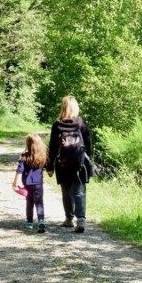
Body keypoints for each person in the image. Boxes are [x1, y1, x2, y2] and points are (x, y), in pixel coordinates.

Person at [46, 95, 93, 233]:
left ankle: (68, 219)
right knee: (79, 191)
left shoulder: (57, 125)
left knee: (66, 191)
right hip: (79, 164)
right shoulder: (81, 123)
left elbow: (53, 147)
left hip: (62, 164)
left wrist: (49, 166)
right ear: (75, 107)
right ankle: (81, 220)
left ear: (63, 107)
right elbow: (89, 144)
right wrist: (89, 161)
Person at [13, 133, 47, 232]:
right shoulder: (42, 156)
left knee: (29, 202)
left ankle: (29, 222)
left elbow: (19, 170)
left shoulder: (24, 156)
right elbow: (47, 167)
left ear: (27, 144)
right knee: (39, 202)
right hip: (38, 184)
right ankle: (41, 221)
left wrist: (15, 182)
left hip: (27, 184)